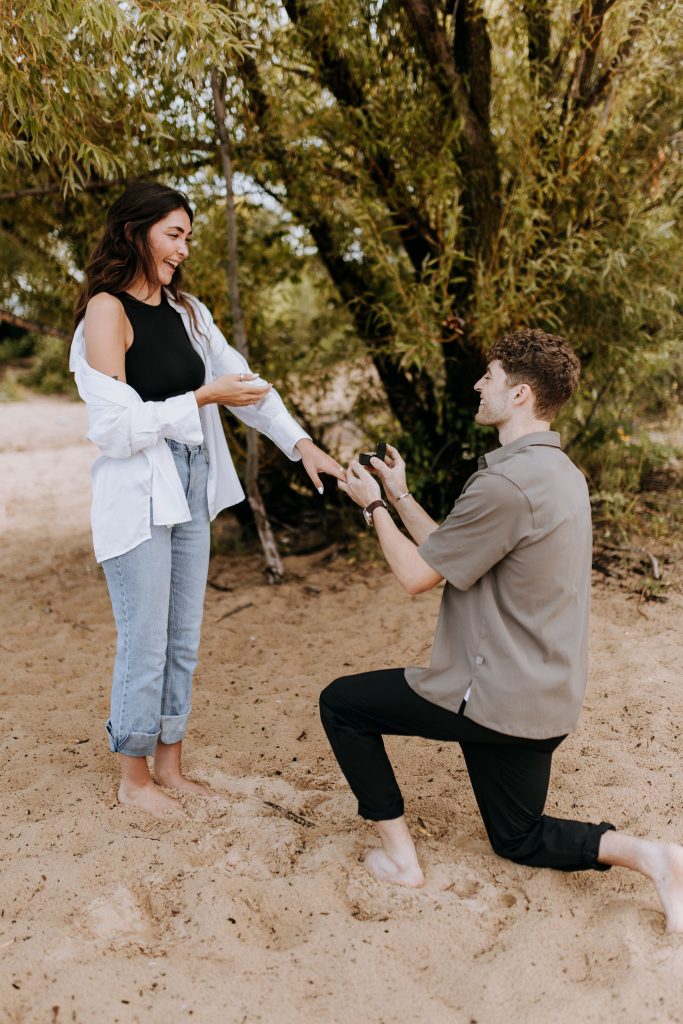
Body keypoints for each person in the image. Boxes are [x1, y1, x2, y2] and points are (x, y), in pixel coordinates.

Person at [322, 328, 683, 932]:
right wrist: (400, 493)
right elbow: (452, 552)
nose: (477, 385)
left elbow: (416, 576)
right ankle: (654, 857)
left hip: (490, 697)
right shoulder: (559, 473)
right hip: (543, 702)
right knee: (518, 836)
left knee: (343, 705)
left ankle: (400, 858)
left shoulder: (504, 484)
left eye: (487, 377)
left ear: (519, 394)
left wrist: (372, 506)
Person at [70, 181, 343, 816]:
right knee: (145, 637)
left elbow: (245, 385)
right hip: (140, 488)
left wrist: (302, 444)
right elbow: (113, 427)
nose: (184, 249)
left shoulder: (189, 312)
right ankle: (133, 778)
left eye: (188, 237)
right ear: (135, 233)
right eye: (174, 235)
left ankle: (169, 766)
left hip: (192, 479)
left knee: (183, 636)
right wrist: (200, 398)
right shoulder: (106, 312)